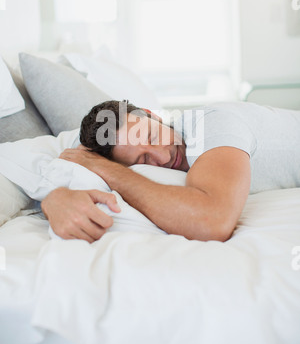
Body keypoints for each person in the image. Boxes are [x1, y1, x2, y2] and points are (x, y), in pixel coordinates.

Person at [41, 100, 300, 243]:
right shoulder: (109, 148)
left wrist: (106, 168)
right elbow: (72, 160)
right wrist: (54, 200)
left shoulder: (210, 124)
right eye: (143, 159)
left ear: (154, 115)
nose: (162, 156)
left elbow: (213, 220)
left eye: (153, 137)